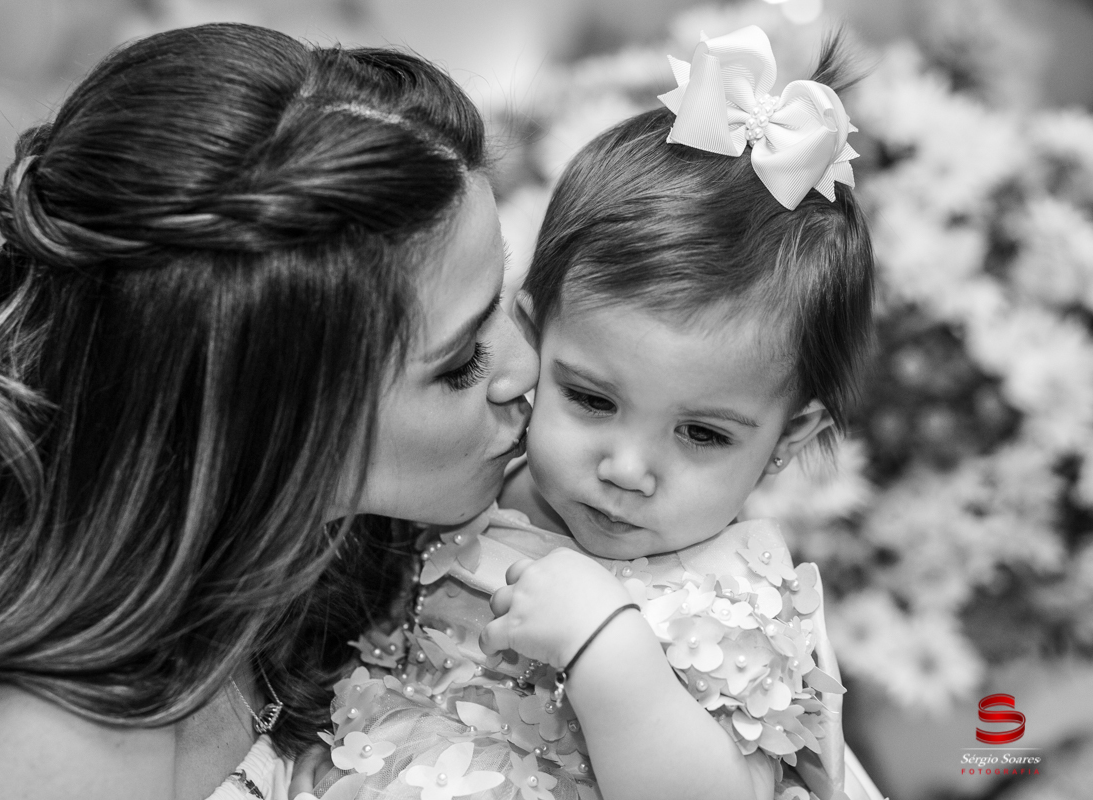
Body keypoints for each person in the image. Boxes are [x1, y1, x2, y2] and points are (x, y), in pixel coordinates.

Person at [0, 23, 537, 800]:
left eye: (507, 297)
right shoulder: (66, 743)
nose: (526, 369)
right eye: (461, 360)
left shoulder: (354, 547)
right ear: (265, 426)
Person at [316, 26, 885, 800]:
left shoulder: (732, 602)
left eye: (702, 433)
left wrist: (609, 654)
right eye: (591, 399)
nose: (625, 469)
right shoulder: (460, 485)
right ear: (529, 337)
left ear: (789, 437)